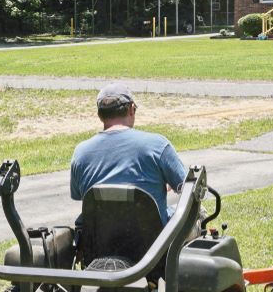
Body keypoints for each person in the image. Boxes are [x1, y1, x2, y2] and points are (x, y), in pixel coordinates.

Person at [70, 83, 188, 223]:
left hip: (100, 241)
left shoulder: (81, 153)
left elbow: (79, 195)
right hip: (154, 242)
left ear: (99, 115)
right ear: (131, 109)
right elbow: (188, 189)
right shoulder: (158, 146)